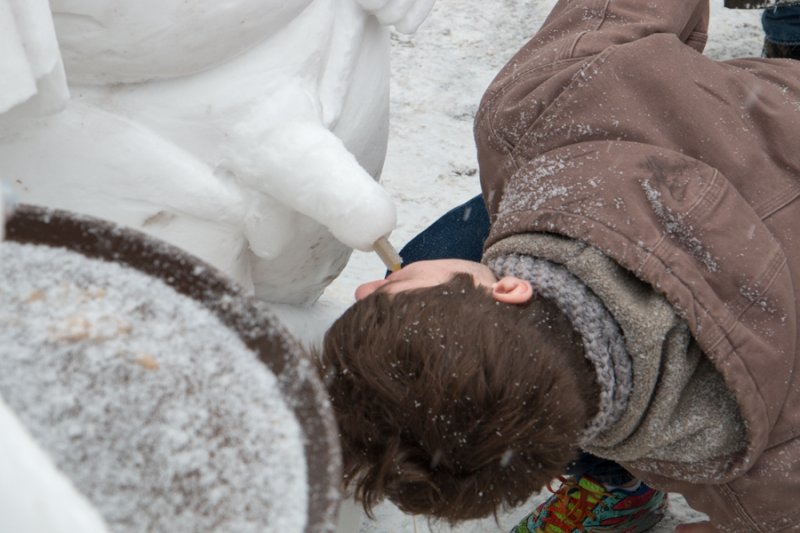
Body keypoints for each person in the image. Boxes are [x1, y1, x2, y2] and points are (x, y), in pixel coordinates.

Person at [318, 1, 800, 532]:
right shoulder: (543, 112)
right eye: (389, 295)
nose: (361, 289)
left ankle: (612, 475)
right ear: (508, 290)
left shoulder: (765, 481)